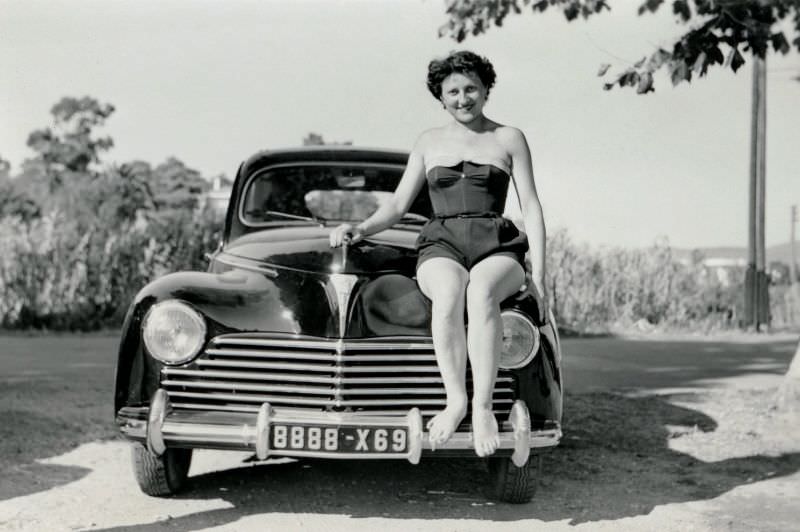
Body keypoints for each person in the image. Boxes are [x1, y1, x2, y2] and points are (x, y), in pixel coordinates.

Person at [329, 50, 547, 457]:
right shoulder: (429, 141)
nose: (463, 98)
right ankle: (456, 400)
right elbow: (397, 205)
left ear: (485, 90)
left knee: (481, 292)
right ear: (440, 97)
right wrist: (360, 228)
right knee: (448, 293)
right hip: (441, 241)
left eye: (471, 89)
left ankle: (483, 407)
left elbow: (531, 205)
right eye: (453, 92)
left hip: (496, 242)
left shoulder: (508, 138)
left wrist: (544, 274)